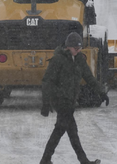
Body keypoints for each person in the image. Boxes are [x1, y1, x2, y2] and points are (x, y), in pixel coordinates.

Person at [40, 32, 109, 164]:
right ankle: (82, 161)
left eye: (79, 48)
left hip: (70, 100)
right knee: (65, 131)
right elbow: (47, 81)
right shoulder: (58, 60)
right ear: (68, 47)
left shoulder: (79, 60)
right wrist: (46, 103)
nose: (77, 50)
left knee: (67, 131)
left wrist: (102, 93)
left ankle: (46, 160)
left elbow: (89, 77)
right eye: (75, 48)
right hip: (60, 100)